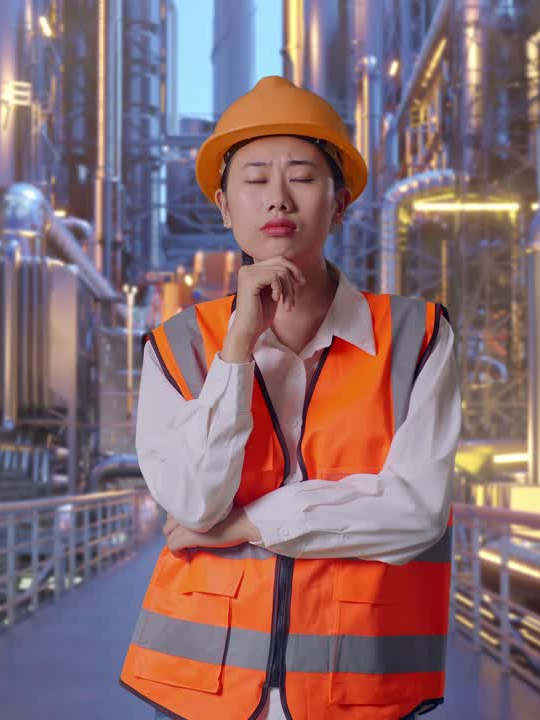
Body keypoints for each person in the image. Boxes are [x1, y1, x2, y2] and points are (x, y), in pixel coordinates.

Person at [120, 76, 462, 720]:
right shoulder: (178, 346)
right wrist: (237, 349)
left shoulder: (417, 337)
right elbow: (194, 499)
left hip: (357, 685)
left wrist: (247, 525)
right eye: (254, 179)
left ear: (340, 202)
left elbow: (417, 510)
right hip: (200, 687)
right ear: (224, 207)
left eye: (303, 175)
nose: (277, 196)